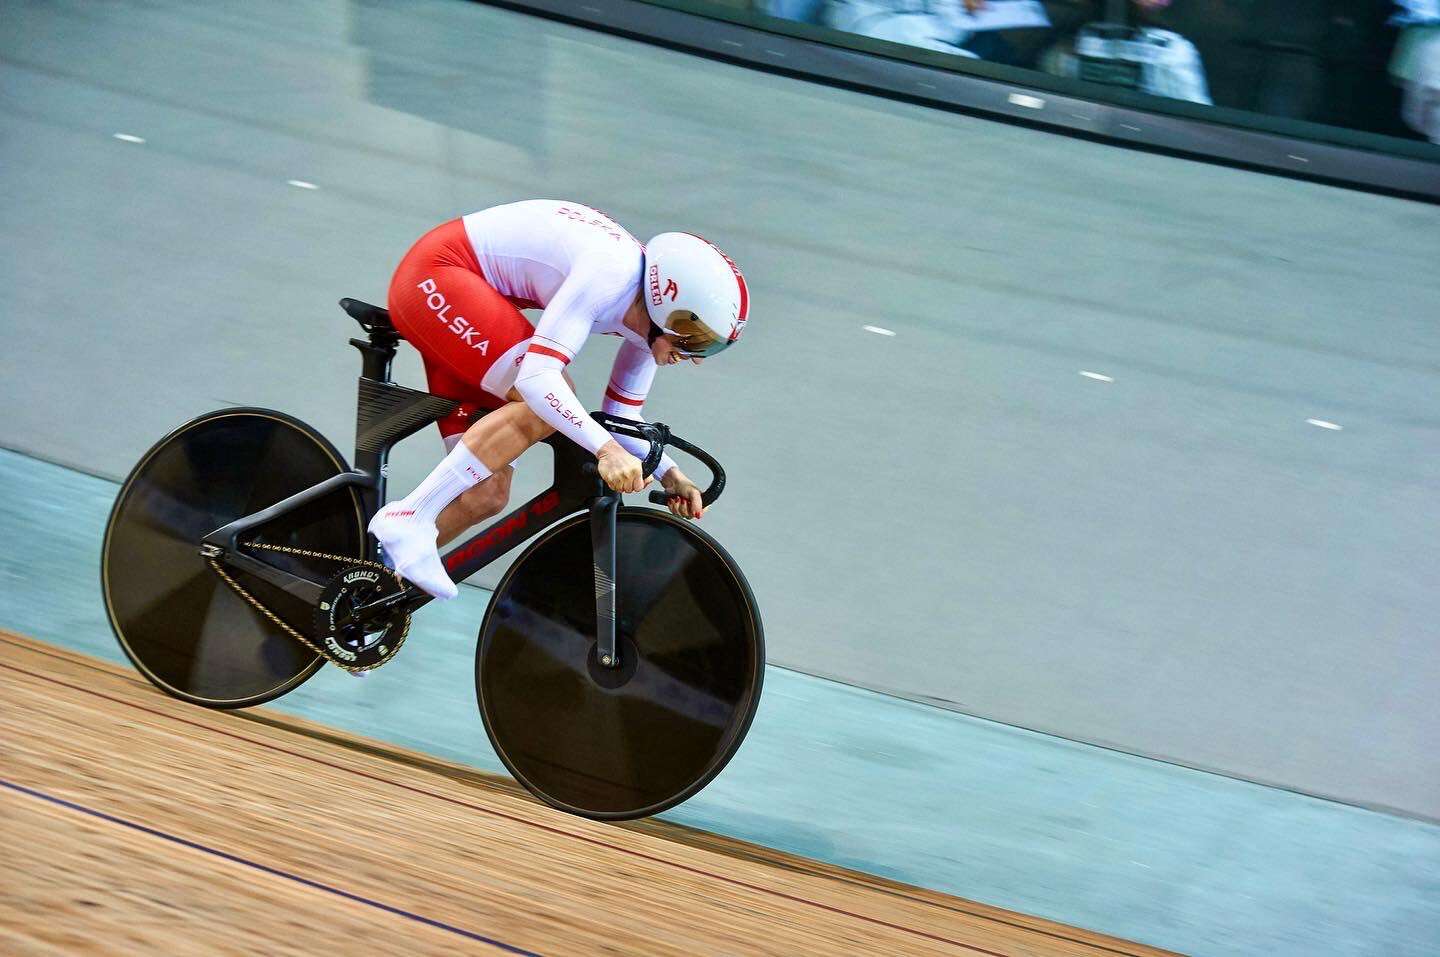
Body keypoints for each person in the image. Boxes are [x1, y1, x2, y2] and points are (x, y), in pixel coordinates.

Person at [368, 200, 750, 599]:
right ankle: (410, 514)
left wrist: (672, 474)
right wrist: (605, 451)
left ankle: (365, 591)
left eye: (711, 348)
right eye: (697, 341)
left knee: (484, 494)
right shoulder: (611, 273)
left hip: (468, 298)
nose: (696, 359)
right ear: (667, 302)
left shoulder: (648, 328)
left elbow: (622, 416)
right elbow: (538, 381)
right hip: (437, 277)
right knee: (546, 399)